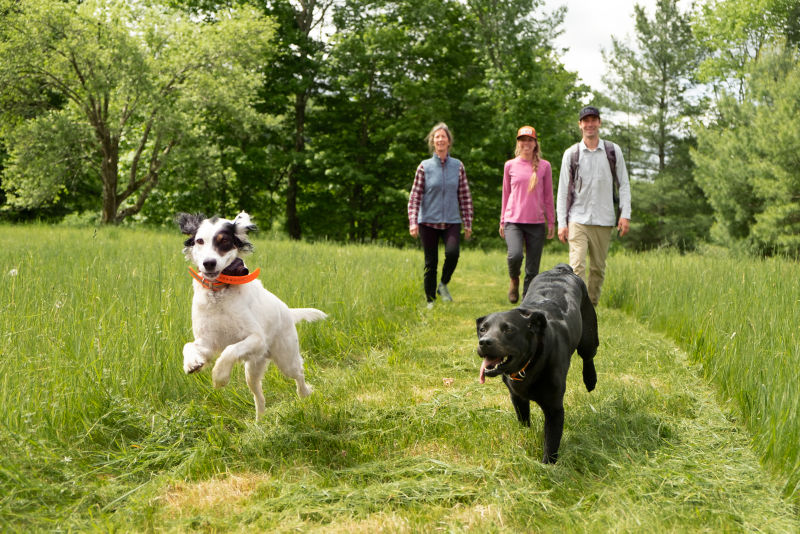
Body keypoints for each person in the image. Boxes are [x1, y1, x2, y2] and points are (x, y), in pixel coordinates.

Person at [556, 106, 631, 306]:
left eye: (593, 120)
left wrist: (625, 215)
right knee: (577, 266)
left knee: (598, 268)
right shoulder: (571, 154)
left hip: (604, 219)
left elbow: (623, 184)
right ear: (580, 124)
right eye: (585, 121)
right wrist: (561, 223)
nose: (590, 124)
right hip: (577, 219)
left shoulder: (613, 151)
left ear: (599, 123)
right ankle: (576, 309)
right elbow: (563, 190)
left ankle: (591, 306)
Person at [408, 122, 473, 308]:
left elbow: (465, 196)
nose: (440, 139)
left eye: (443, 136)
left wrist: (468, 223)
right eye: (437, 137)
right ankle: (430, 300)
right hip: (427, 221)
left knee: (453, 254)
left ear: (449, 141)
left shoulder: (458, 166)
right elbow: (414, 197)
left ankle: (443, 284)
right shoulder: (424, 167)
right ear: (433, 141)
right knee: (431, 262)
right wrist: (413, 222)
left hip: (452, 220)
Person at [499, 125, 555, 303]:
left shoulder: (545, 166)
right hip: (513, 221)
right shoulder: (510, 165)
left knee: (532, 268)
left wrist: (551, 222)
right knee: (514, 255)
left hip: (536, 222)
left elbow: (548, 196)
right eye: (523, 140)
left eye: (530, 140)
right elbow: (506, 194)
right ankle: (514, 280)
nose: (526, 143)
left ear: (535, 143)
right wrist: (502, 221)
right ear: (518, 143)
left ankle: (526, 302)